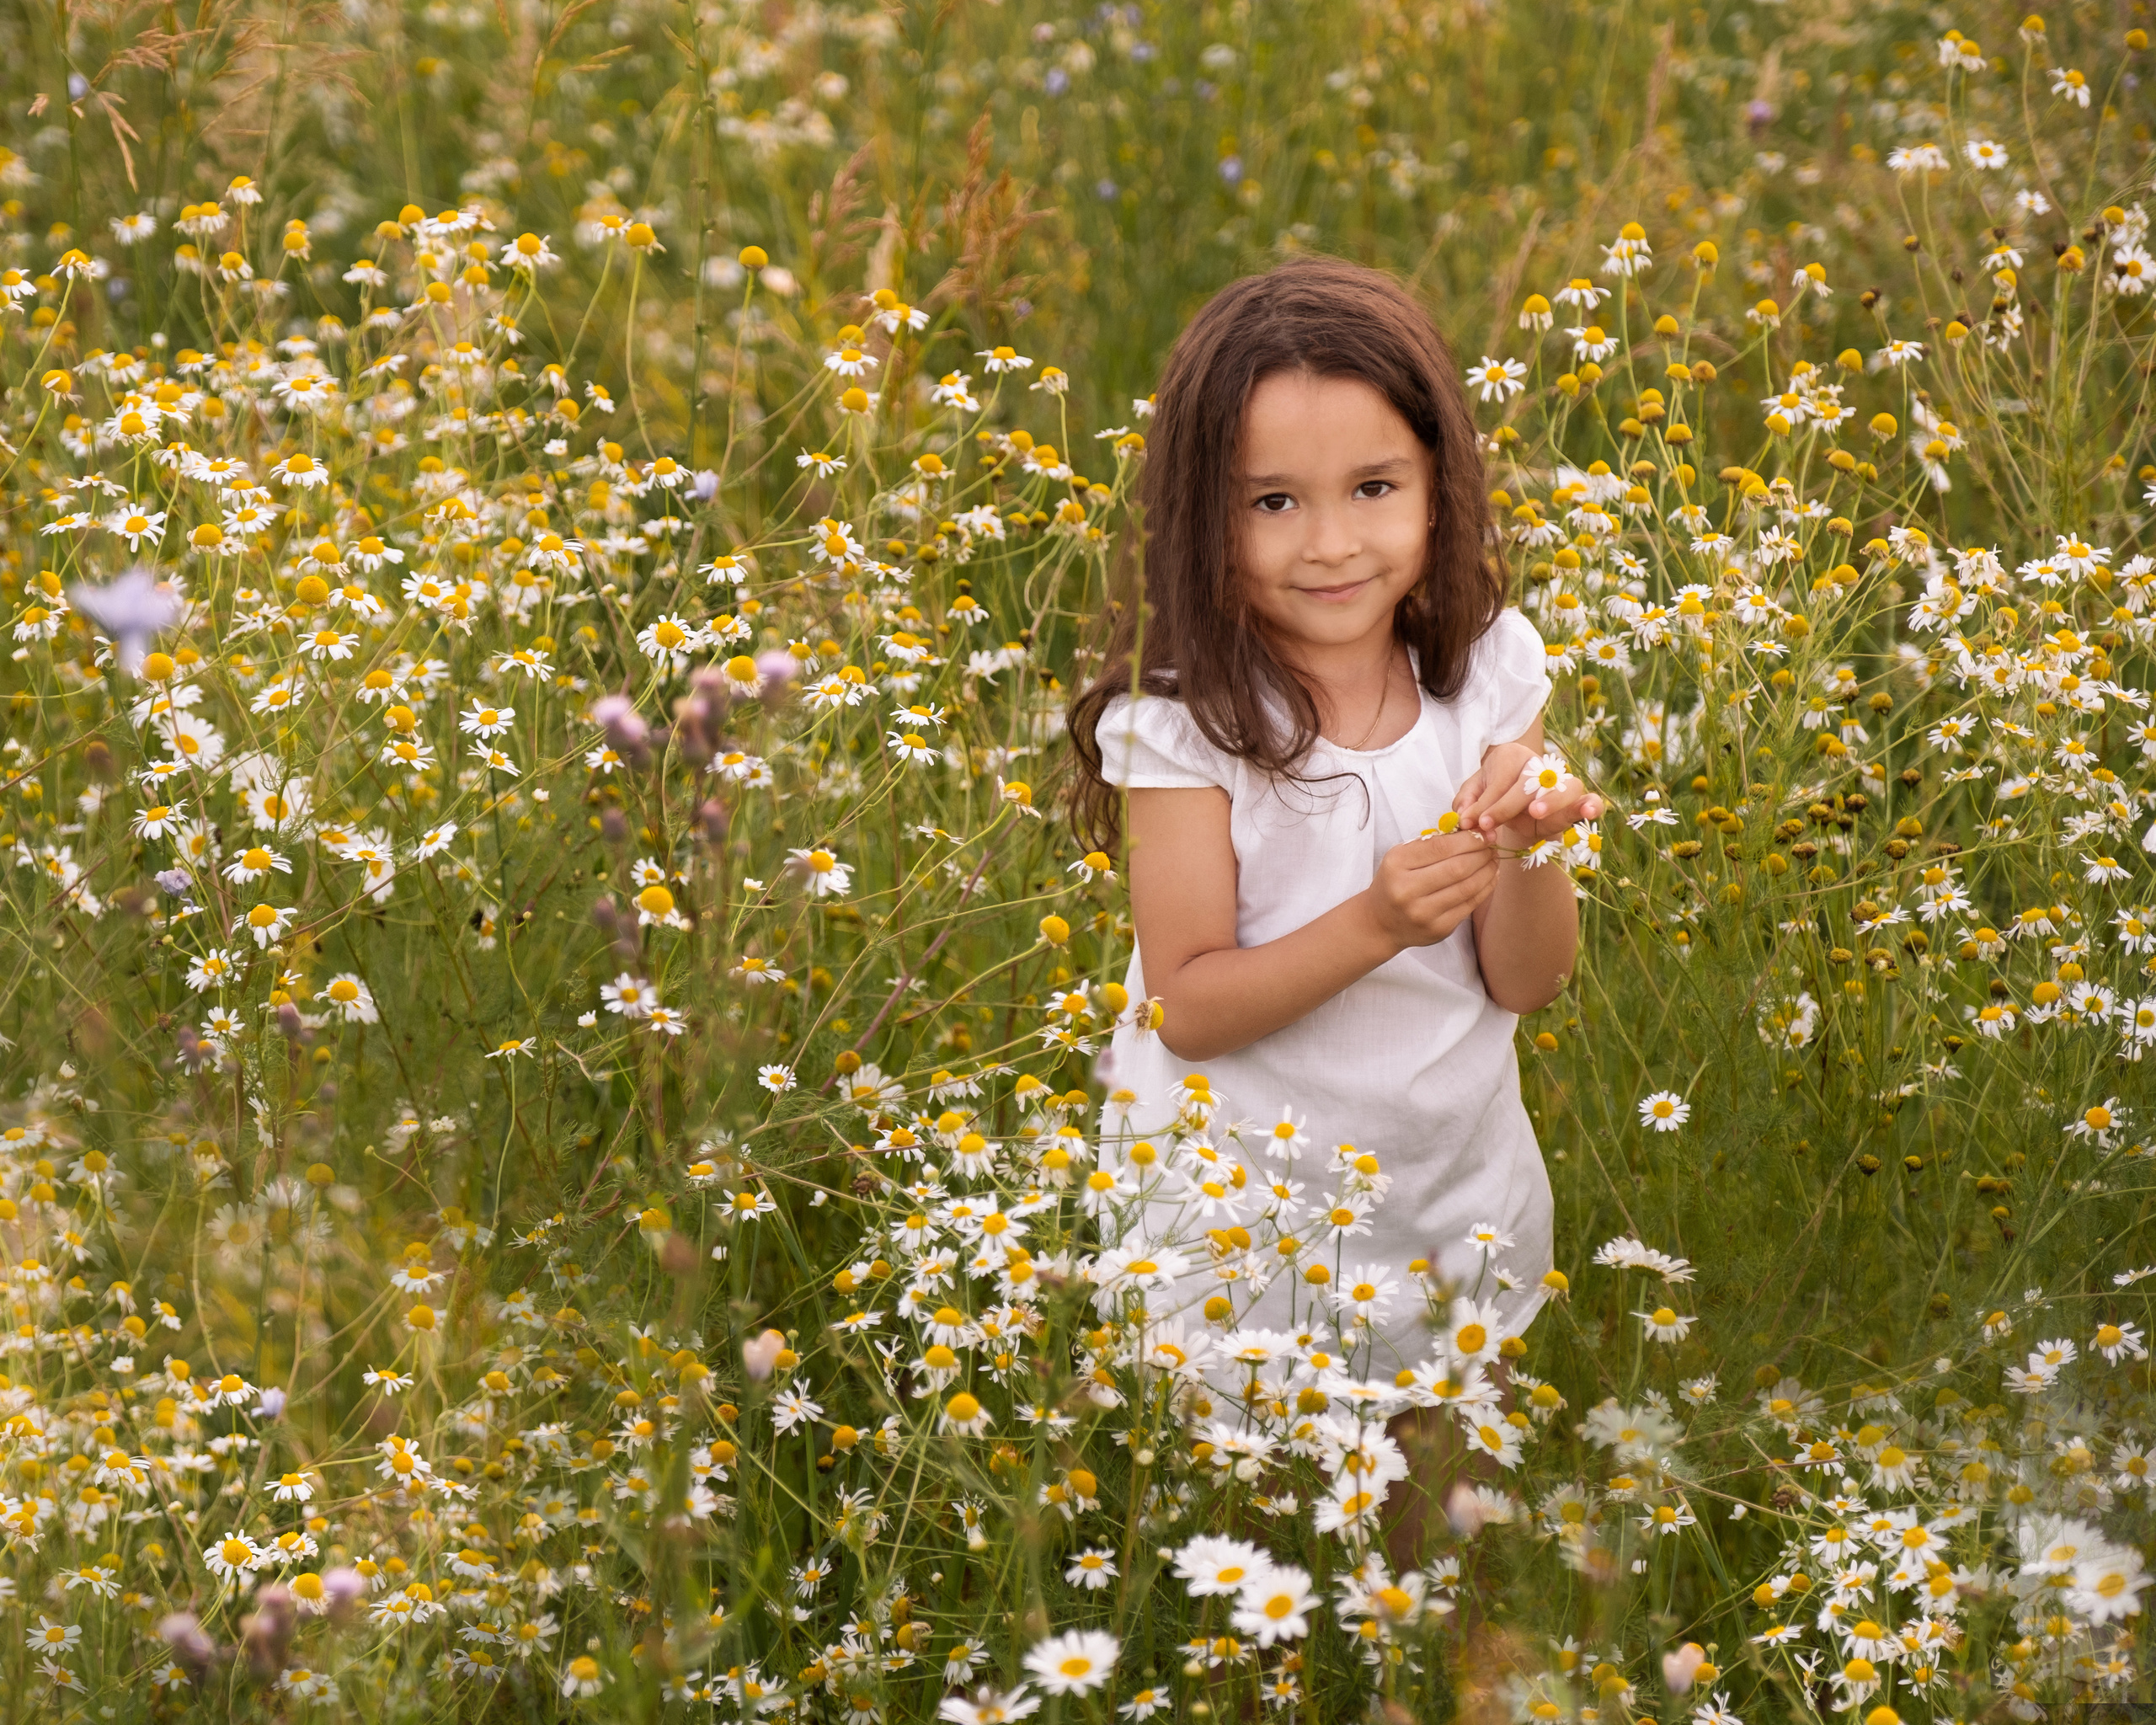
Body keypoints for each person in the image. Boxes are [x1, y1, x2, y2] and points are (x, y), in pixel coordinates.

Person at [1065, 255, 1603, 1387]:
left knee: (1448, 1484)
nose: (1330, 544)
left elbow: (1529, 982)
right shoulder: (1186, 730)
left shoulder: (1488, 675)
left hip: (1454, 1206)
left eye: (1373, 488)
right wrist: (1377, 924)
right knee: (1255, 1486)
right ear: (1202, 519)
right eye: (1273, 502)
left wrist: (1526, 853)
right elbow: (1187, 1009)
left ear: (1438, 486)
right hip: (1243, 1233)